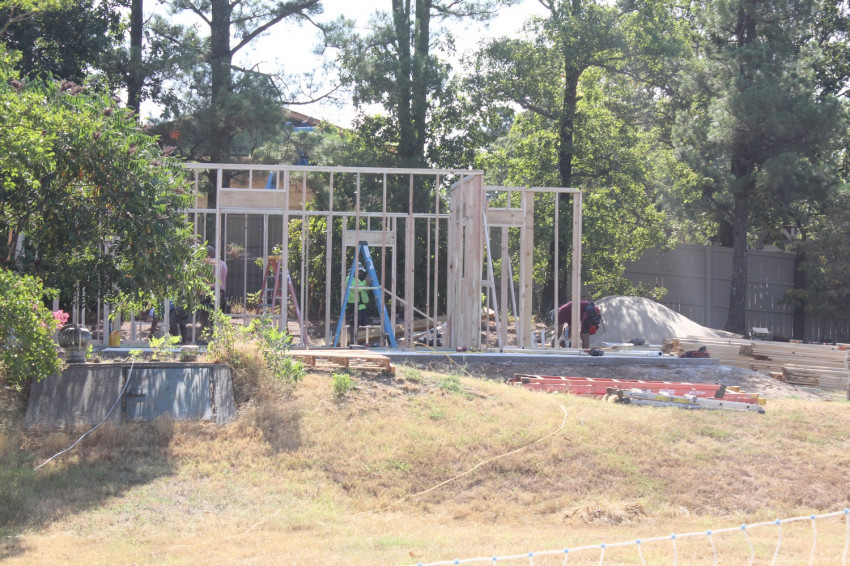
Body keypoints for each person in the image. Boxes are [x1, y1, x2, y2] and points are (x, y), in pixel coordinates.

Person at [347, 263, 370, 334]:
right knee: (354, 324)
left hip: (361, 305)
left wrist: (367, 284)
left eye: (361, 271)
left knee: (360, 324)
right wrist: (365, 282)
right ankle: (353, 341)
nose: (360, 273)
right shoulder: (349, 279)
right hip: (353, 304)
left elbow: (364, 290)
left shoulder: (358, 280)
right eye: (359, 271)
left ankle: (355, 340)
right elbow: (358, 289)